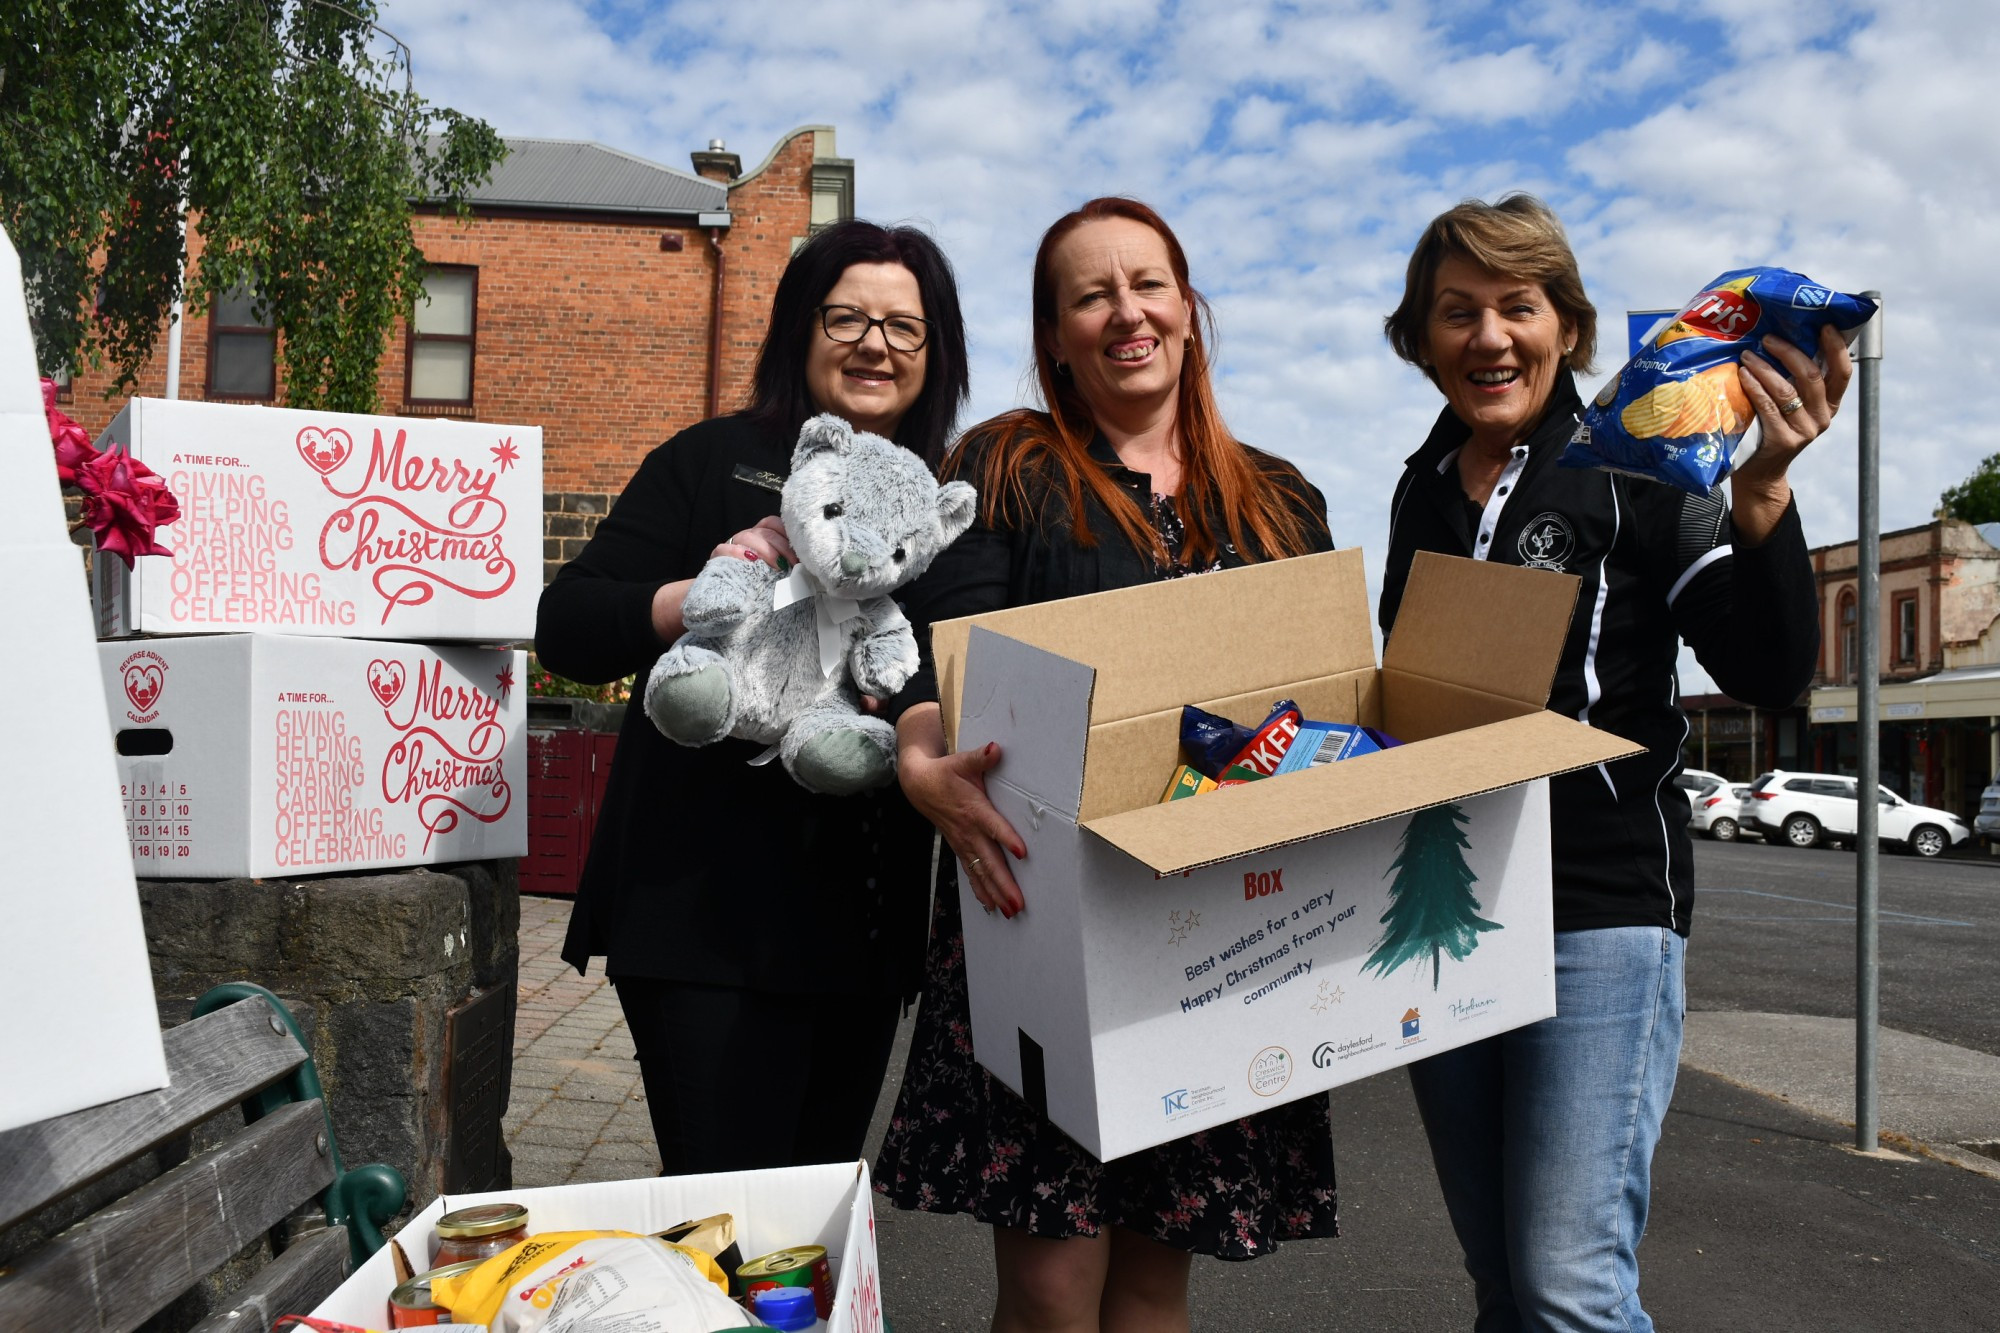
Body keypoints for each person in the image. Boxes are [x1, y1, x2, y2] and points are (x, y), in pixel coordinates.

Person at [1378, 194, 1849, 1331]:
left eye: (1516, 307)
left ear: (1566, 327)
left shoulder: (1638, 472)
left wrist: (1763, 492)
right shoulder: (1417, 490)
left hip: (1596, 911)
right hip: (1447, 912)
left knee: (1566, 1285)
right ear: (1421, 338)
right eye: (1455, 312)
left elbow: (1766, 667)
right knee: (1501, 1284)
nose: (1487, 336)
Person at [874, 197, 1339, 1333]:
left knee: (1151, 1276)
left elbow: (1324, 702)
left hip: (1222, 924)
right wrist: (919, 747)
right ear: (1054, 335)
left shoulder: (1281, 500)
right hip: (1042, 909)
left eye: (1147, 284)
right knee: (1048, 1280)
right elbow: (945, 654)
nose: (1125, 312)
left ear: (1188, 308)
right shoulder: (1001, 465)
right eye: (1091, 295)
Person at [534, 218, 970, 1176]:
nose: (875, 344)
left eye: (906, 327)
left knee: (809, 1235)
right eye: (848, 316)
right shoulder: (710, 459)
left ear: (935, 355)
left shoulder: (936, 510)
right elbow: (565, 620)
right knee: (732, 1220)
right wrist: (704, 592)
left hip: (858, 931)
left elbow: (944, 675)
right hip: (703, 923)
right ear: (799, 329)